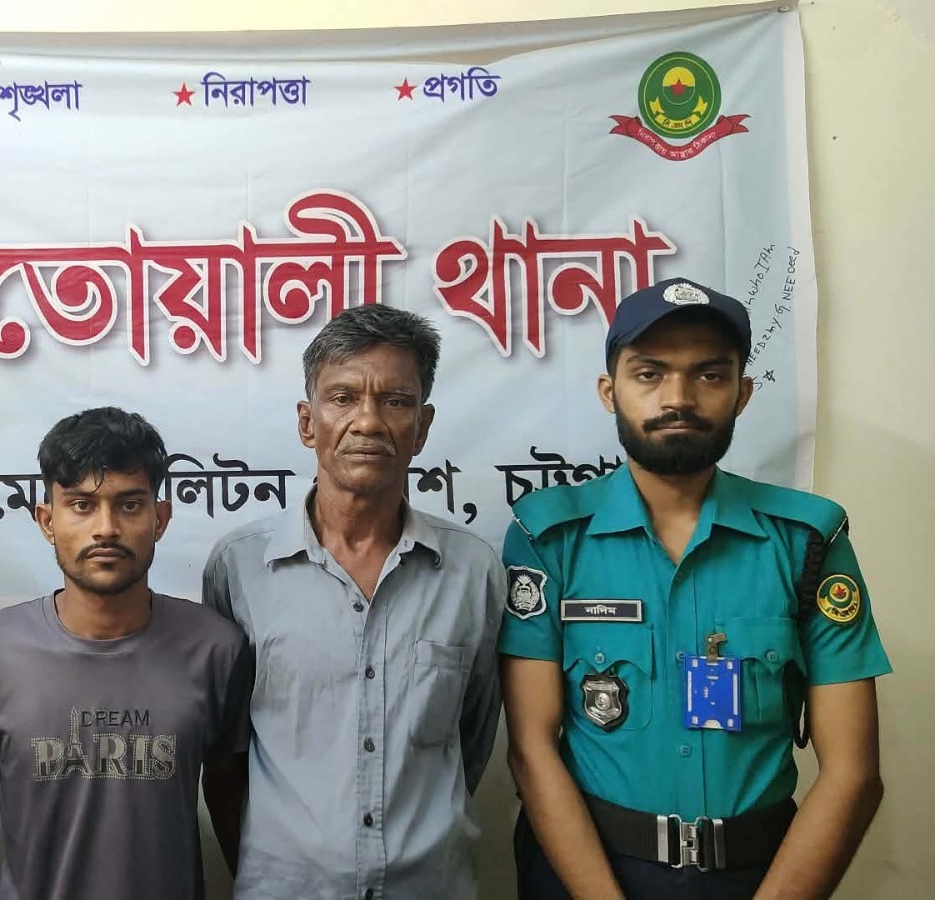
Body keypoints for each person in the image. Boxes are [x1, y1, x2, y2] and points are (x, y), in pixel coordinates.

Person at [500, 277, 890, 899]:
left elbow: (853, 773)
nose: (677, 398)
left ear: (742, 393)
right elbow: (531, 749)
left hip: (761, 878)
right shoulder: (549, 537)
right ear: (610, 391)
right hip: (589, 871)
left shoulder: (807, 540)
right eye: (649, 374)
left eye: (709, 374)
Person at [203, 304, 505, 900]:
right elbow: (226, 753)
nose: (368, 421)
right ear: (307, 422)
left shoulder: (473, 570)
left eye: (395, 401)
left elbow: (472, 735)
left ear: (422, 426)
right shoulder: (239, 567)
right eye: (343, 398)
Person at [0, 407, 253, 900]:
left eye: (129, 504)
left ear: (160, 518)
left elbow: (229, 794)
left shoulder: (216, 650)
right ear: (47, 521)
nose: (106, 528)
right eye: (82, 505)